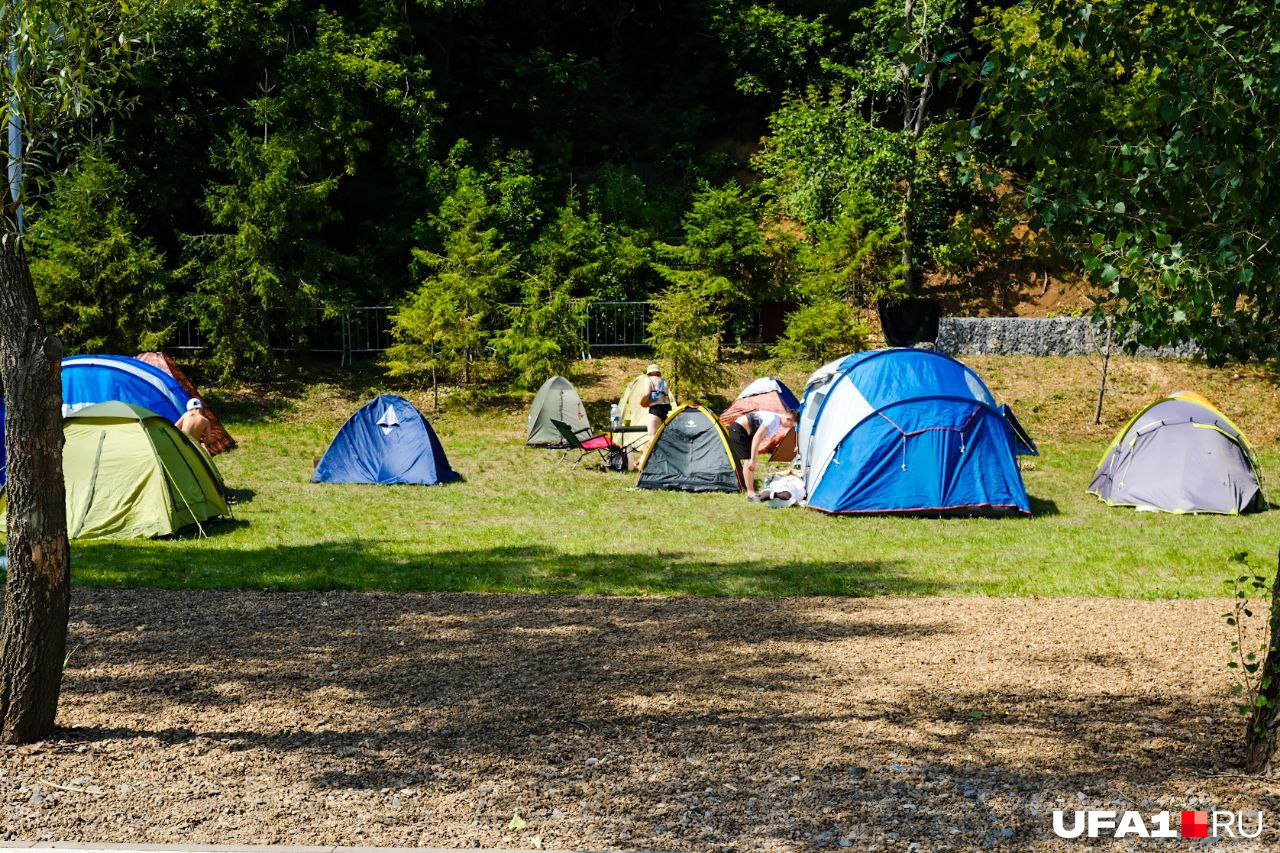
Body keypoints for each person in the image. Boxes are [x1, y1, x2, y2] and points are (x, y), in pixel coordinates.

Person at [728, 408, 797, 500]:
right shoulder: (773, 419)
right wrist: (753, 459)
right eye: (790, 424)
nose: (789, 426)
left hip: (747, 434)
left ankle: (751, 489)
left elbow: (758, 439)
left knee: (751, 462)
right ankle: (750, 493)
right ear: (788, 419)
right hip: (738, 431)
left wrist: (754, 458)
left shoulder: (777, 423)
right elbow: (757, 437)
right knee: (748, 462)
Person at [641, 364, 672, 439]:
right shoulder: (664, 382)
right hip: (666, 410)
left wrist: (641, 403)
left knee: (652, 437)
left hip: (655, 409)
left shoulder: (649, 380)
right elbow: (669, 396)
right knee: (664, 438)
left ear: (649, 373)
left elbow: (646, 394)